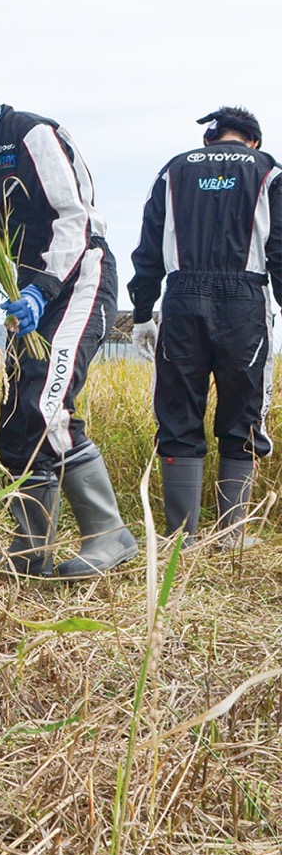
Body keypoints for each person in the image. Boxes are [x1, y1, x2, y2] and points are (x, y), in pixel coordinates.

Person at [0, 43, 137, 579]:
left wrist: (42, 289)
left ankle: (110, 535)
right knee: (18, 416)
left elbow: (74, 219)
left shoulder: (33, 134)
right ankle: (30, 551)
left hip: (78, 280)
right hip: (30, 299)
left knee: (46, 403)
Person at [128, 106, 281, 551]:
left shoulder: (174, 170)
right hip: (244, 301)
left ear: (209, 139)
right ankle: (232, 537)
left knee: (178, 413)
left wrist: (142, 312)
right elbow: (280, 251)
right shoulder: (269, 170)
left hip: (181, 299)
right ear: (253, 140)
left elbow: (148, 247)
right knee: (243, 415)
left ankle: (181, 538)